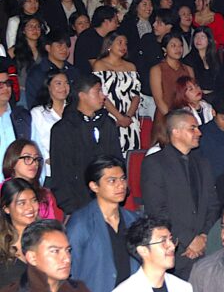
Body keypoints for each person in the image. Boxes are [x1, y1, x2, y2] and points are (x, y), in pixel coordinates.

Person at [65, 155, 138, 292]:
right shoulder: (80, 223)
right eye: (112, 181)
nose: (120, 185)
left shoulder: (134, 220)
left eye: (122, 179)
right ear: (94, 186)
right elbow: (69, 273)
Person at [141, 109, 218, 278]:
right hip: (175, 250)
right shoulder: (155, 163)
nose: (199, 133)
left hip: (204, 251)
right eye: (192, 128)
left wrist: (204, 237)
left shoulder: (202, 163)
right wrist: (188, 240)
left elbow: (213, 204)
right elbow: (156, 209)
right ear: (175, 131)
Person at [50, 74, 122, 215]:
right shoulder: (63, 129)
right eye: (98, 91)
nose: (103, 96)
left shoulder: (107, 123)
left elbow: (117, 159)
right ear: (82, 96)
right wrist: (70, 207)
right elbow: (61, 172)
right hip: (79, 203)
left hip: (109, 200)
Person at [92, 31, 142, 152]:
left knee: (130, 154)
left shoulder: (131, 66)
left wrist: (128, 116)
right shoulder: (99, 65)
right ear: (109, 45)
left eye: (125, 43)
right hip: (109, 116)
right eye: (120, 42)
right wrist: (119, 117)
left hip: (129, 117)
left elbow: (136, 95)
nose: (123, 46)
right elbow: (101, 94)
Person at [2, 139, 57, 220]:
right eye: (27, 158)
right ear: (12, 161)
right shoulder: (2, 191)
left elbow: (51, 224)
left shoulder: (44, 194)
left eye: (36, 159)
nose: (34, 163)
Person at [0, 179, 40, 287]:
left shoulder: (46, 237)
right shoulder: (2, 248)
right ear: (6, 209)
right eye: (22, 203)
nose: (30, 208)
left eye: (34, 200)